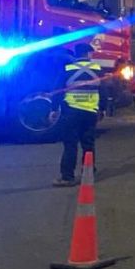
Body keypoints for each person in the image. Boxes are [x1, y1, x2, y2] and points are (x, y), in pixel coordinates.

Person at [53, 44, 103, 187]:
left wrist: (54, 108)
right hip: (90, 112)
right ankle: (88, 173)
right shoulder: (97, 69)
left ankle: (67, 177)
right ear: (88, 54)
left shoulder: (68, 69)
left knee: (70, 145)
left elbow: (58, 90)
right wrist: (103, 109)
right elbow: (103, 91)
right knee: (88, 144)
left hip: (71, 112)